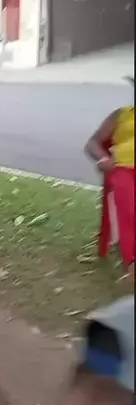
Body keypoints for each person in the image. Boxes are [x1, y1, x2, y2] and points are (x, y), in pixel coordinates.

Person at [84, 77, 134, 279]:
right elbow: (92, 143)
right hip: (122, 168)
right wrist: (103, 158)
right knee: (128, 207)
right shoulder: (122, 114)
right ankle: (132, 261)